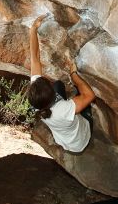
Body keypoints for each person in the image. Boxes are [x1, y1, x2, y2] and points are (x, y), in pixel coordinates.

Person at [26, 14, 95, 153]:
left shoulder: (36, 100)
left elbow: (35, 57)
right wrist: (73, 75)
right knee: (85, 104)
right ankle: (88, 120)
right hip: (80, 141)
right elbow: (89, 95)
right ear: (53, 96)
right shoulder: (63, 110)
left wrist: (33, 29)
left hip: (63, 138)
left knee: (59, 84)